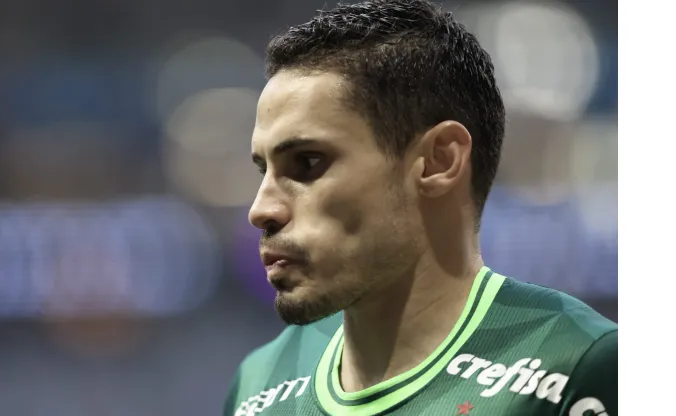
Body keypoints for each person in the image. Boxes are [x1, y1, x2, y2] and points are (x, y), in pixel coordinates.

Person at [224, 1, 617, 415]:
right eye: (263, 170)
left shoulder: (579, 367)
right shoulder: (258, 385)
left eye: (307, 163)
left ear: (439, 161)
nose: (261, 209)